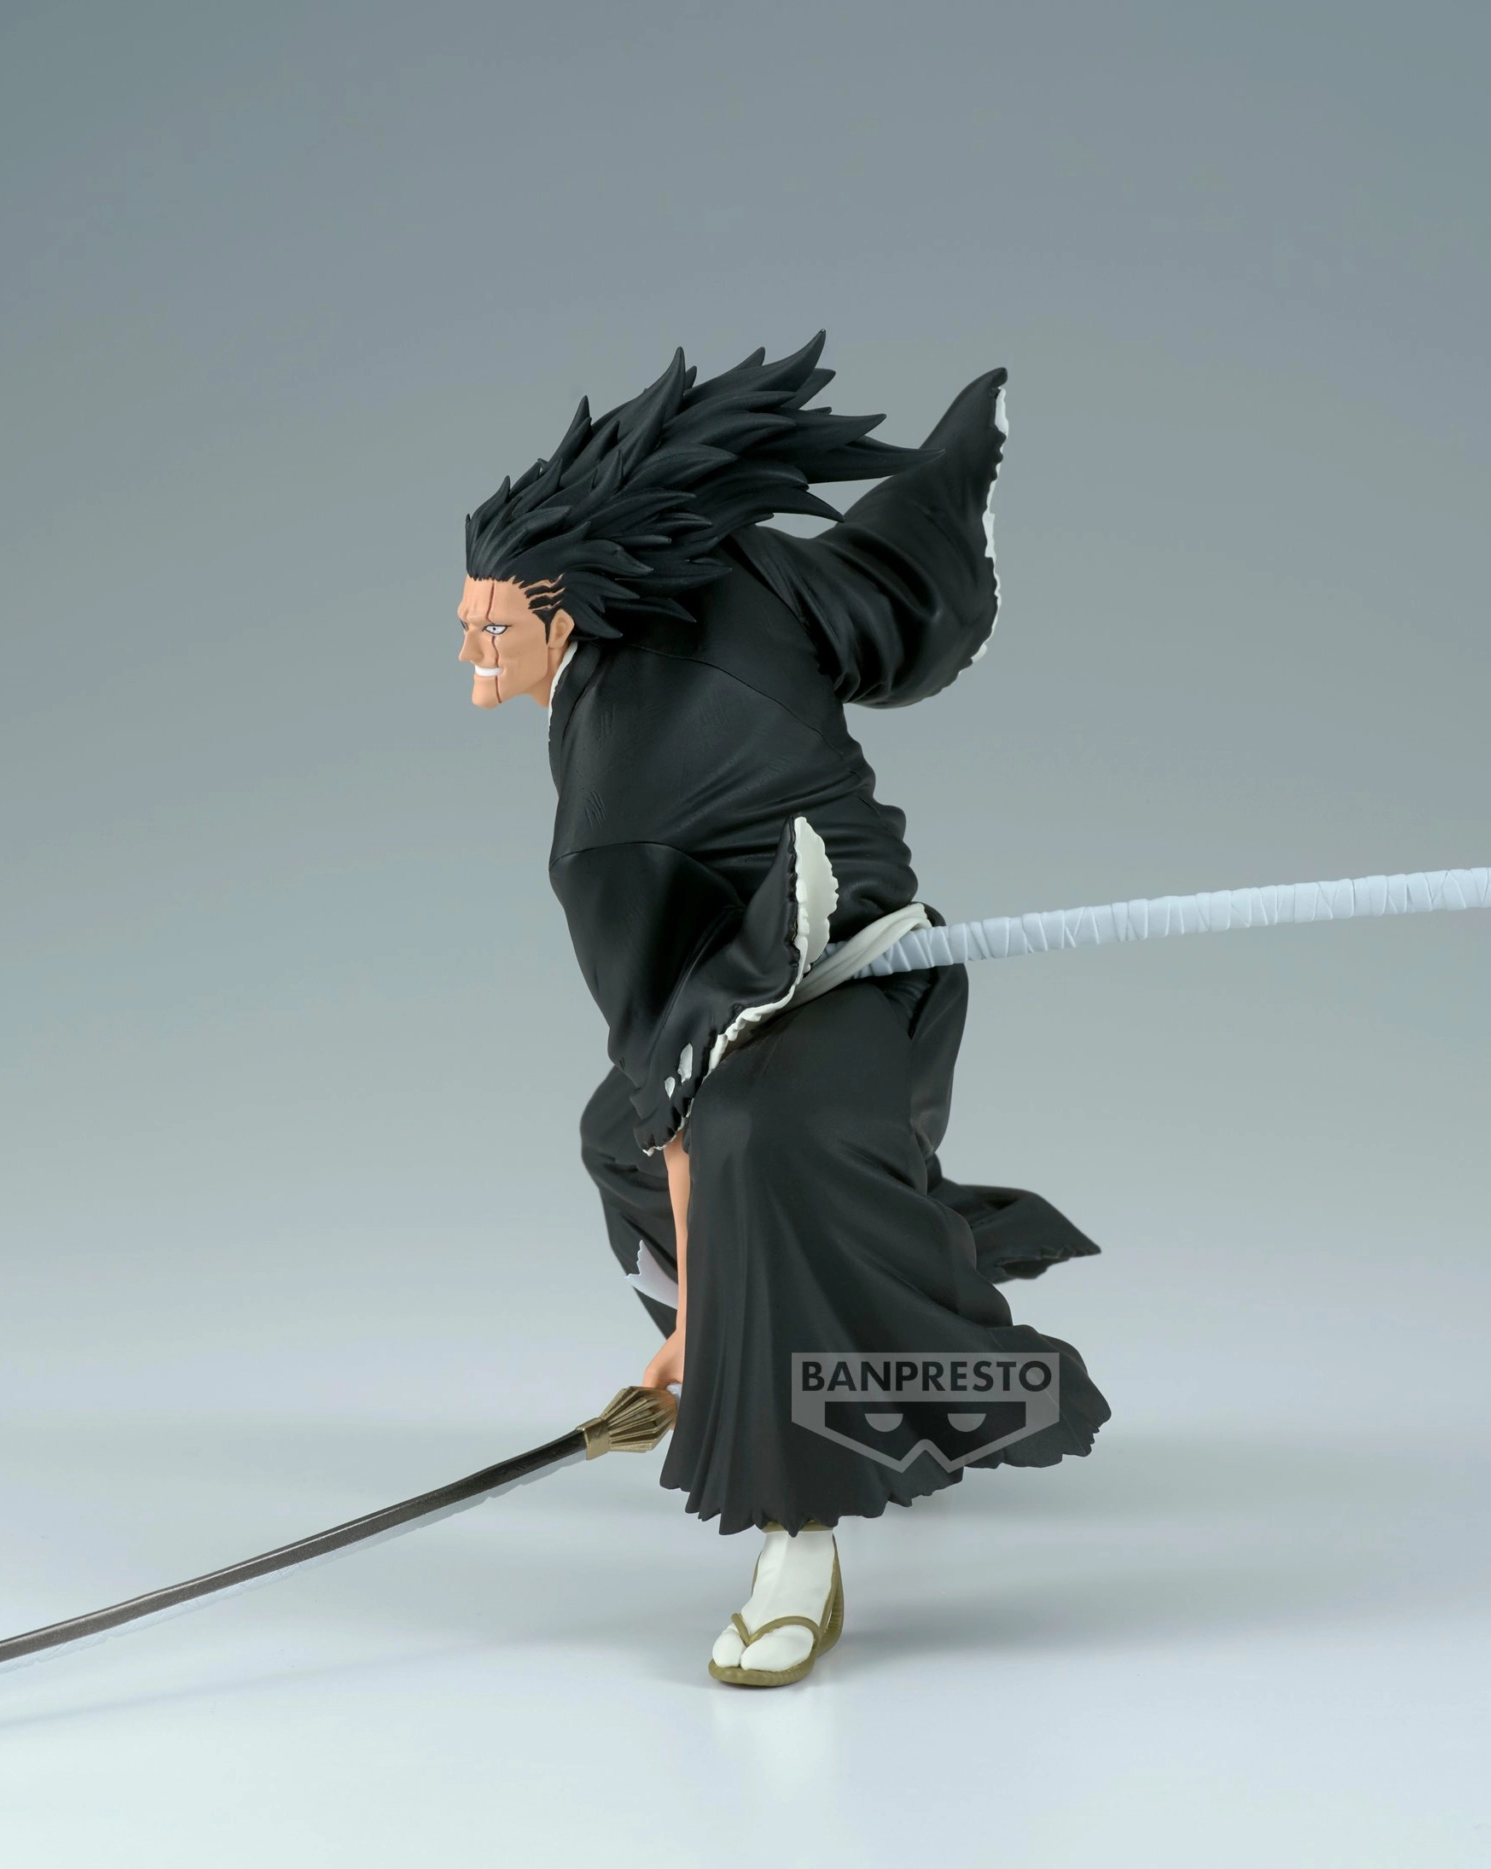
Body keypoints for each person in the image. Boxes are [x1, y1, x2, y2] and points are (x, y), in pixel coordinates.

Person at [456, 336, 1109, 1687]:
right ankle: (882, 1337)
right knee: (617, 1146)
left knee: (748, 1147)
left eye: (494, 627)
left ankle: (794, 1532)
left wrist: (705, 1324)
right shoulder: (725, 571)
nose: (470, 649)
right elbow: (884, 600)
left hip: (855, 981)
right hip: (840, 984)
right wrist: (948, 481)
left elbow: (684, 1098)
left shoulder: (610, 832)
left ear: (568, 614)